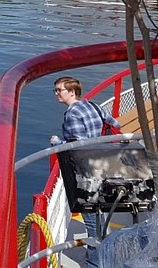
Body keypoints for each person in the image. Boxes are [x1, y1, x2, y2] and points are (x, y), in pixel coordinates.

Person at [51, 76, 122, 263]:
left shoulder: (72, 114)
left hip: (85, 175)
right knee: (102, 217)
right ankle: (105, 258)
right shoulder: (93, 106)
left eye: (60, 90)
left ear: (72, 92)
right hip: (103, 168)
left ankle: (95, 263)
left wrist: (57, 143)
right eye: (56, 90)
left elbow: (78, 146)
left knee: (92, 224)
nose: (56, 94)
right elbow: (115, 125)